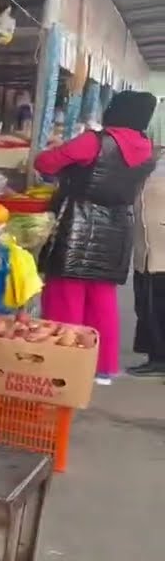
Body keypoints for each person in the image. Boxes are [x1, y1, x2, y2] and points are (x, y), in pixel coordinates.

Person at [35, 90, 158, 384]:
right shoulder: (147, 148)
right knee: (103, 297)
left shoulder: (95, 141)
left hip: (79, 222)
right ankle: (103, 368)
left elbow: (46, 163)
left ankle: (63, 366)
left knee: (66, 293)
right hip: (118, 226)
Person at [130, 97, 165, 376]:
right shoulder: (153, 161)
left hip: (160, 250)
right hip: (147, 246)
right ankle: (154, 355)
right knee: (146, 301)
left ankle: (159, 360)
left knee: (156, 303)